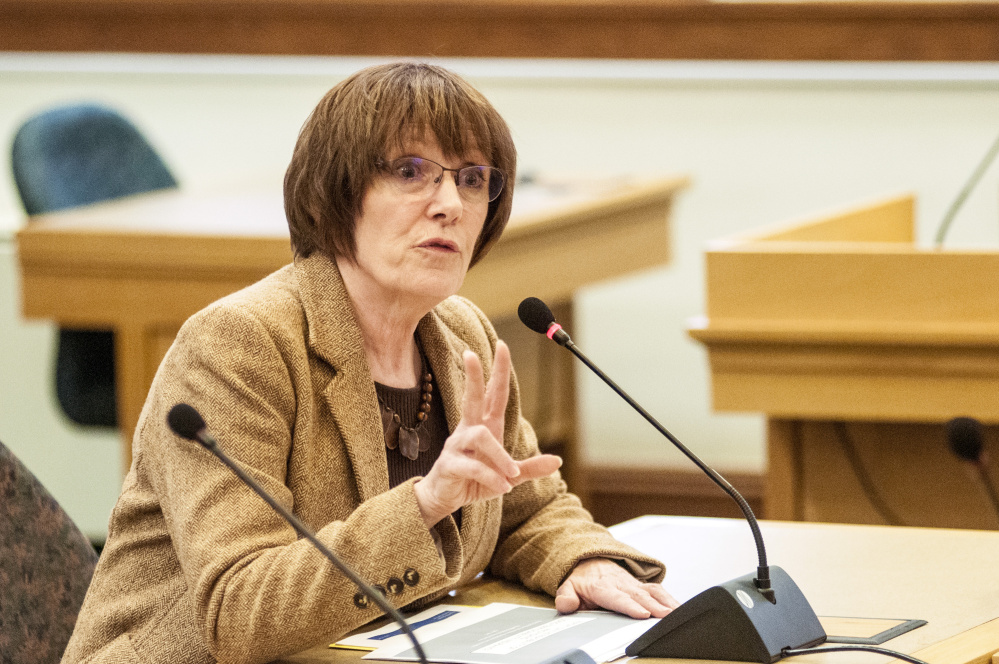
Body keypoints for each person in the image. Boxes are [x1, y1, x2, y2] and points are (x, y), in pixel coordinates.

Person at [62, 62, 677, 664]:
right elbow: (238, 611)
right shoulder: (238, 344)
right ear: (334, 192)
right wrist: (425, 503)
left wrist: (583, 558)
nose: (449, 205)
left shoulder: (461, 334)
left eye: (471, 179)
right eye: (412, 172)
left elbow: (526, 507)